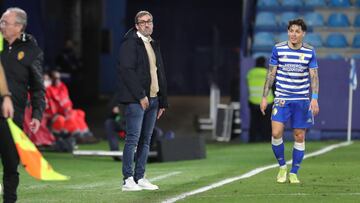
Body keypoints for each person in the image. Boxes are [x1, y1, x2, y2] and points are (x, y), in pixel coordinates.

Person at [260, 19, 319, 184]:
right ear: (288, 32)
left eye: (297, 31)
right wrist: (264, 97)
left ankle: (294, 172)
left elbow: (314, 76)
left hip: (301, 100)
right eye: (291, 31)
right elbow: (271, 74)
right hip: (282, 99)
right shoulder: (278, 49)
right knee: (276, 133)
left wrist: (314, 99)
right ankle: (282, 166)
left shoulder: (309, 51)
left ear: (303, 34)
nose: (294, 34)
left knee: (299, 136)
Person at [117, 10, 168, 191]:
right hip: (136, 100)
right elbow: (127, 71)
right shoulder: (130, 43)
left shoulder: (152, 43)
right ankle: (127, 179)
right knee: (133, 139)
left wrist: (162, 101)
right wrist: (140, 95)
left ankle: (140, 177)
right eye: (143, 22)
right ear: (137, 25)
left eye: (149, 21)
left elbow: (159, 74)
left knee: (146, 140)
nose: (147, 24)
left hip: (153, 99)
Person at [0, 7, 45, 202]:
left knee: (10, 164)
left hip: (12, 116)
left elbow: (37, 86)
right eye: (1, 21)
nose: (1, 26)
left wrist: (36, 114)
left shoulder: (31, 51)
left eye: (5, 22)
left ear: (18, 26)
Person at [247, 56, 274, 142]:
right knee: (266, 122)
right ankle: (266, 139)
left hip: (253, 100)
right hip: (267, 101)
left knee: (254, 122)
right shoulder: (267, 73)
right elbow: (273, 86)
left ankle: (252, 140)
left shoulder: (251, 73)